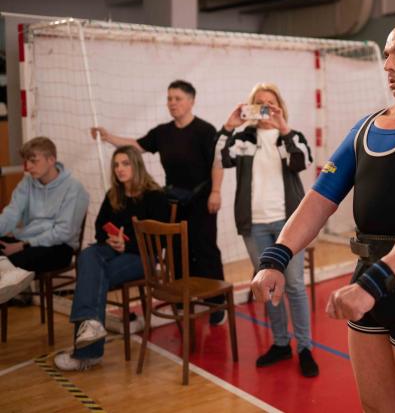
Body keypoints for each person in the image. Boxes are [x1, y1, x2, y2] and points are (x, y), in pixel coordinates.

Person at [251, 20, 395, 412]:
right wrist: (276, 257)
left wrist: (374, 284)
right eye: (388, 54)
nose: (388, 64)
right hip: (369, 278)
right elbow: (319, 198)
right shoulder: (367, 127)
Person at [91, 80, 227, 324]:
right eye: (169, 99)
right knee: (175, 249)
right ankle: (182, 298)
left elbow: (217, 162)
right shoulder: (163, 132)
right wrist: (108, 136)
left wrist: (216, 191)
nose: (172, 103)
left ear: (191, 101)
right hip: (172, 202)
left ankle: (216, 303)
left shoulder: (205, 131)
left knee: (204, 249)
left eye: (177, 98)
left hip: (202, 201)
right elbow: (136, 146)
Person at [218, 83, 319, 377]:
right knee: (267, 286)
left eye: (270, 102)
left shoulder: (293, 136)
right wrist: (229, 125)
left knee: (294, 285)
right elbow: (220, 158)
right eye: (258, 102)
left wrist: (283, 128)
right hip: (254, 225)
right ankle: (280, 343)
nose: (264, 107)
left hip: (290, 225)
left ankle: (305, 348)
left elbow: (301, 162)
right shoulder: (243, 139)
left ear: (279, 106)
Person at [54, 146, 170, 371]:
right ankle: (91, 330)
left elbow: (161, 240)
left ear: (136, 165)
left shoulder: (155, 196)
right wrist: (111, 239)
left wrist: (128, 244)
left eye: (125, 163)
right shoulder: (113, 195)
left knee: (93, 275)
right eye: (116, 165)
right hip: (114, 250)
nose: (119, 169)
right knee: (88, 255)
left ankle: (88, 353)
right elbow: (99, 229)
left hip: (142, 256)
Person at [0, 137, 88, 304]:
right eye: (26, 161)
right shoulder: (27, 183)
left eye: (33, 161)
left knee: (10, 262)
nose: (28, 167)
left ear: (51, 160)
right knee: (6, 261)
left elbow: (63, 233)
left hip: (59, 248)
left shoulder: (74, 188)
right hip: (26, 242)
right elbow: (10, 215)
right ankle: (13, 292)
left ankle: (14, 291)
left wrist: (22, 245)